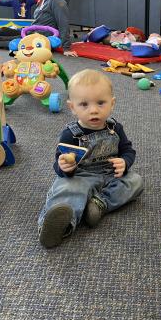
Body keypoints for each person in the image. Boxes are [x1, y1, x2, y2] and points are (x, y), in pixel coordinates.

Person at [38, 69, 144, 248]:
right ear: (72, 108)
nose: (94, 110)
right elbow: (59, 163)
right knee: (68, 190)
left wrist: (125, 162)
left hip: (111, 175)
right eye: (84, 105)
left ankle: (98, 204)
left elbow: (127, 149)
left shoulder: (115, 127)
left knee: (136, 181)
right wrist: (65, 167)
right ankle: (59, 227)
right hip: (81, 175)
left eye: (101, 103)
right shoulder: (70, 134)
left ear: (112, 103)